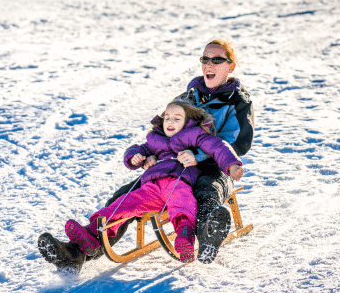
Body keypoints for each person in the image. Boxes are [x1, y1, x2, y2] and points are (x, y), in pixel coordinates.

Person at [38, 38, 254, 273]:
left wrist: (198, 156)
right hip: (174, 168)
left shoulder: (238, 101)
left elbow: (238, 144)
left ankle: (207, 236)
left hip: (215, 165)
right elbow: (166, 130)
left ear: (230, 66)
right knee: (126, 194)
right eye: (205, 59)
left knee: (207, 190)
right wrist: (150, 155)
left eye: (216, 60)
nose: (209, 64)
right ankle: (78, 251)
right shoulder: (188, 96)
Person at [64, 102, 243, 263]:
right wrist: (135, 156)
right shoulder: (156, 140)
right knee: (123, 204)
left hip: (179, 182)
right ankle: (92, 233)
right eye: (167, 118)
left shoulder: (196, 135)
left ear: (188, 122)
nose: (170, 122)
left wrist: (232, 165)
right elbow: (138, 148)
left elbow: (218, 147)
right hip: (152, 186)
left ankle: (185, 238)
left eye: (177, 118)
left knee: (182, 205)